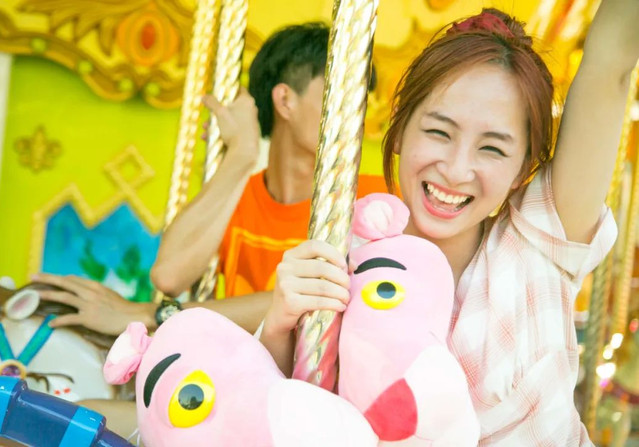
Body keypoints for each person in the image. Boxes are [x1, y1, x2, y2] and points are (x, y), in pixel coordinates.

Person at [259, 3, 639, 445]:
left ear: (522, 168)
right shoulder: (350, 256)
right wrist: (279, 325)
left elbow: (611, 60)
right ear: (399, 129)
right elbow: (279, 409)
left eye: (492, 149)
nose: (457, 170)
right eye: (439, 132)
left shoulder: (541, 239)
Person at [33, 22, 385, 337]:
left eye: (361, 101)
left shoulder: (376, 201)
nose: (358, 115)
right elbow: (168, 276)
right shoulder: (238, 197)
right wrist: (240, 157)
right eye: (342, 95)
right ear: (285, 100)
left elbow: (309, 297)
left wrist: (149, 314)